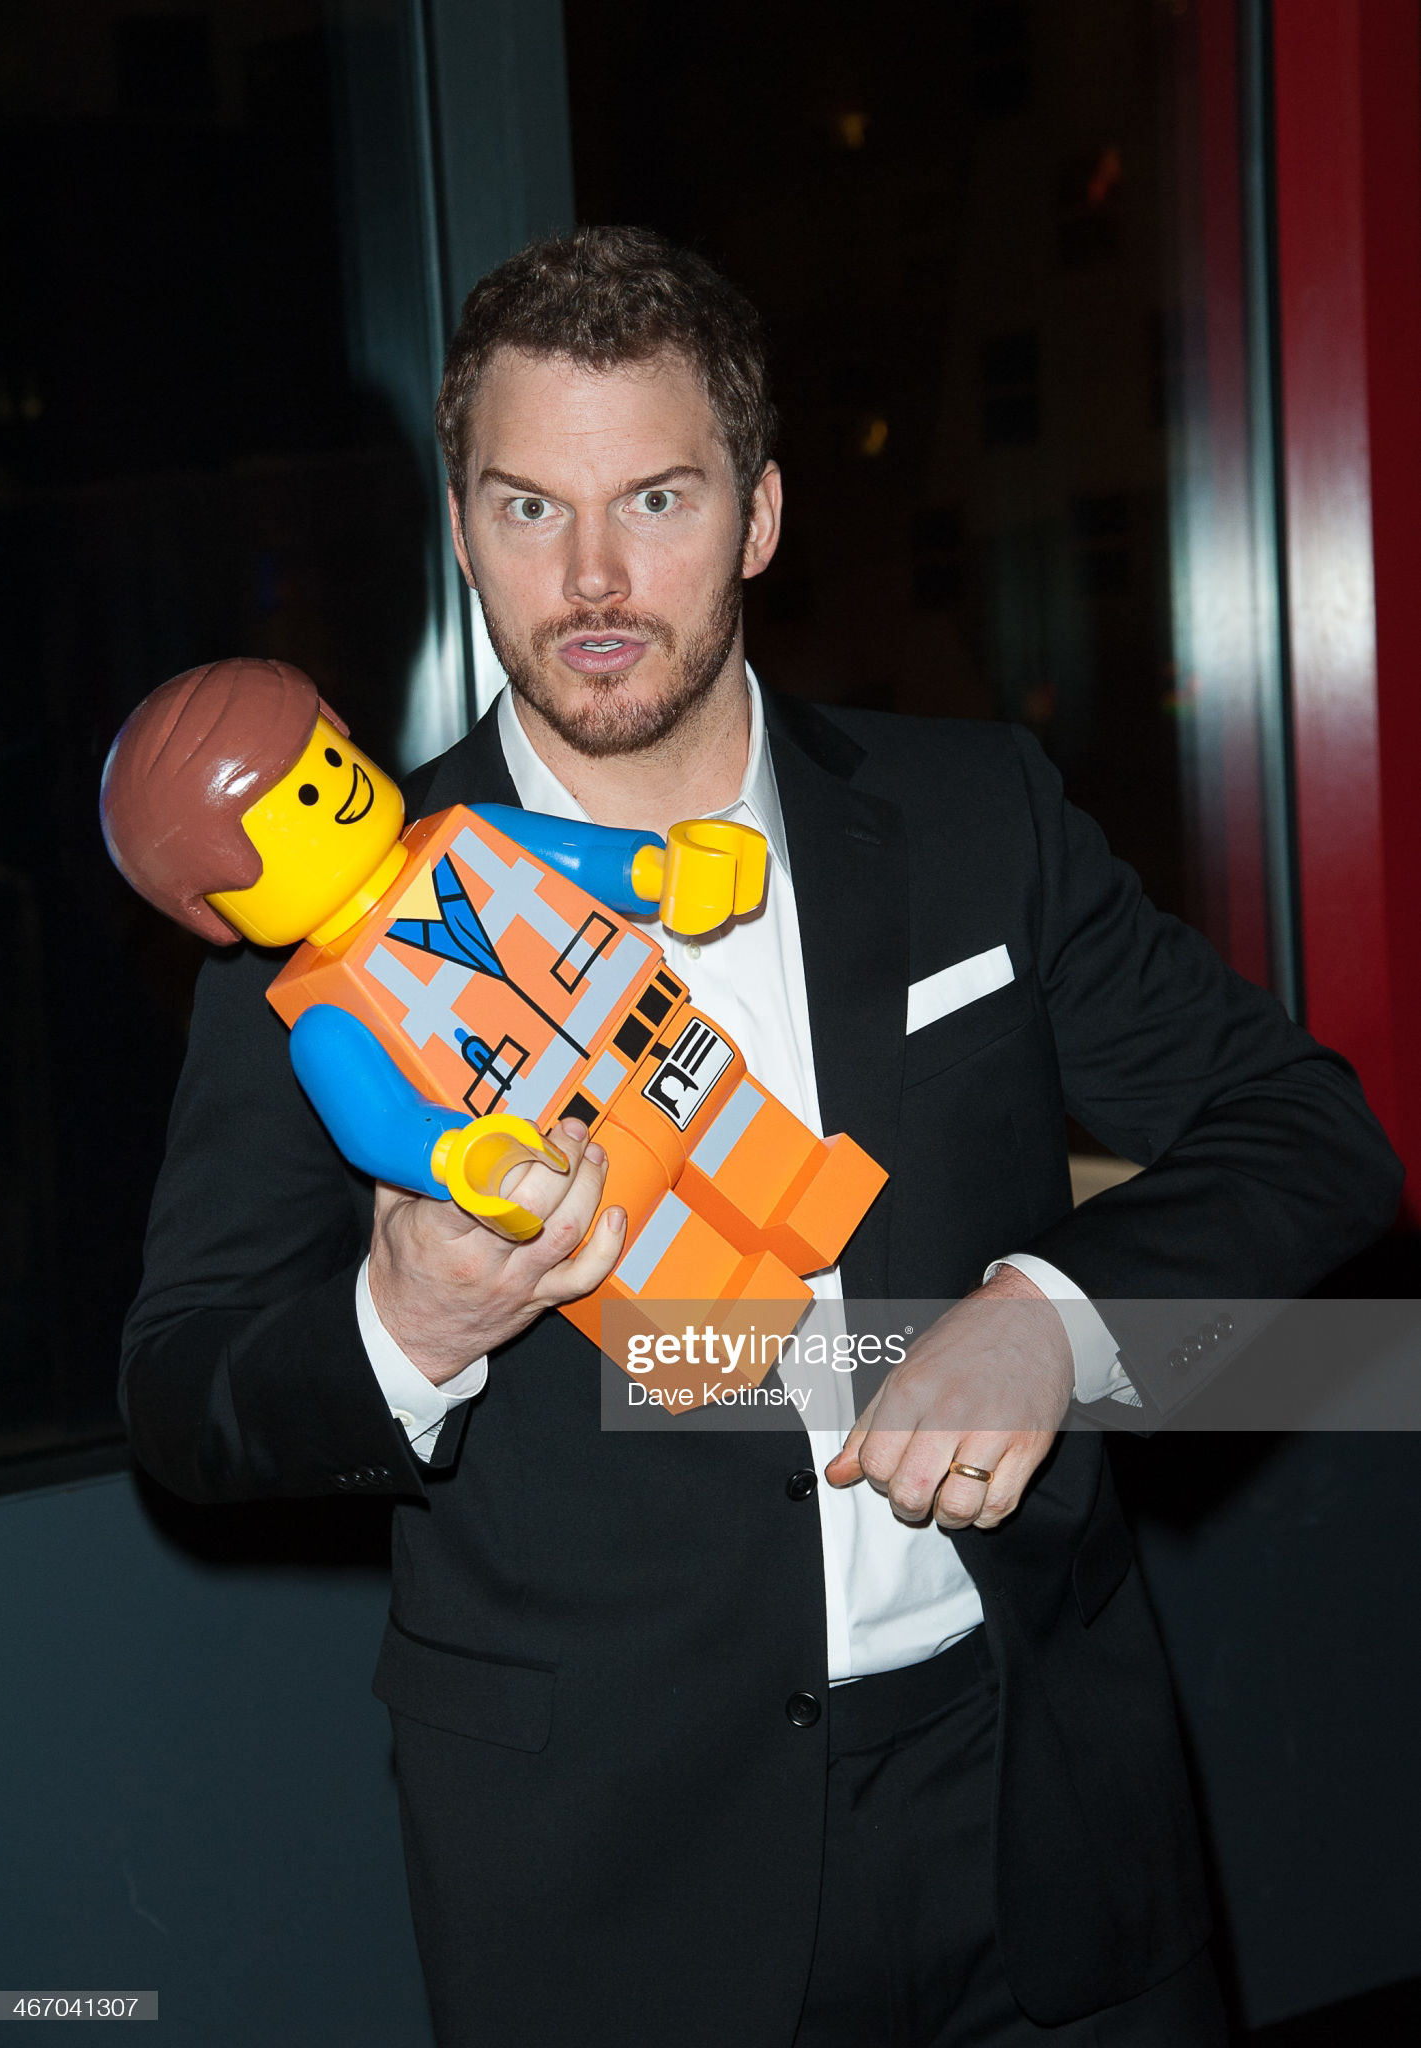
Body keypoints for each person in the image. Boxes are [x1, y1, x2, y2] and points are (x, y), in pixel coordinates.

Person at [120, 226, 1402, 2047]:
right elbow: (186, 1394)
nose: (591, 579)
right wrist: (406, 1325)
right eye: (525, 507)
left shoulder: (977, 815)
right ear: (460, 523)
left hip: (1038, 1791)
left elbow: (1312, 1138)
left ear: (762, 512)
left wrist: (1054, 1312)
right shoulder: (309, 951)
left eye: (653, 496)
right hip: (610, 1878)